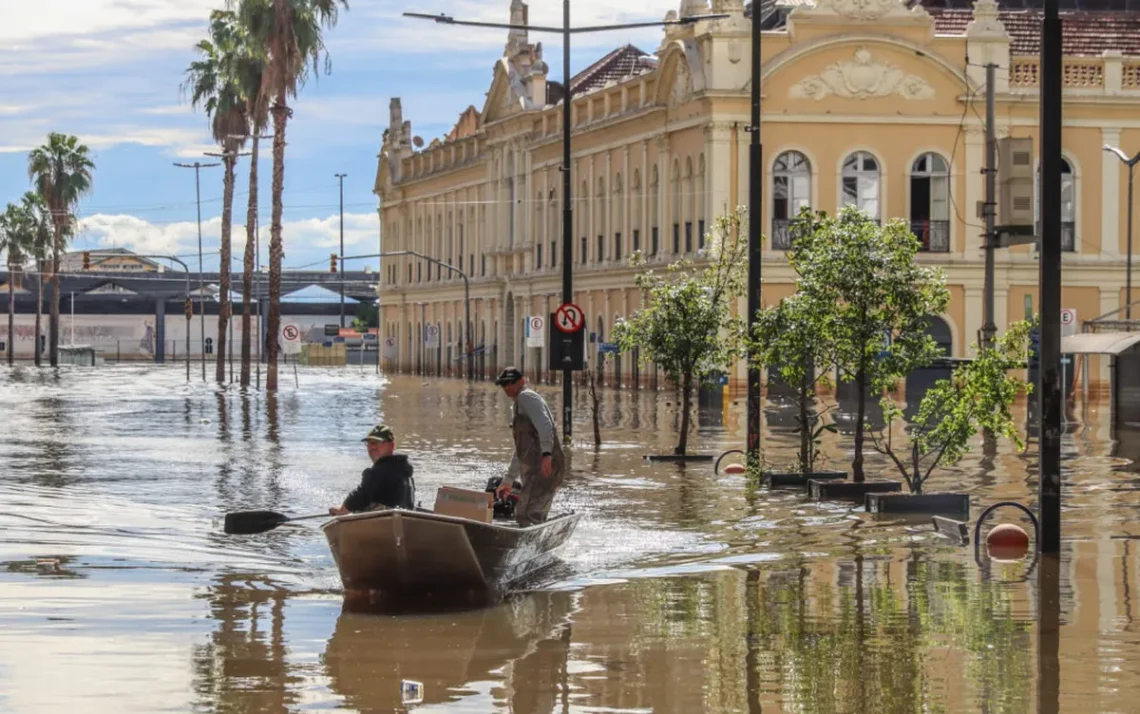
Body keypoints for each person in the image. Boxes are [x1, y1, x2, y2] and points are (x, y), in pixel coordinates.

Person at [494, 367, 567, 526]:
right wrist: (508, 479)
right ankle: (533, 539)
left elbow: (545, 425)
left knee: (527, 514)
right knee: (528, 512)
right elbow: (521, 451)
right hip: (535, 469)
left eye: (511, 383)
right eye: (504, 384)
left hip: (544, 467)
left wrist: (546, 454)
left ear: (522, 381)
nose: (507, 388)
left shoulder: (526, 397)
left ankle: (528, 546)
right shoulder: (520, 404)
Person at [329, 424, 415, 515]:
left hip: (387, 520)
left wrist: (342, 510)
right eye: (369, 443)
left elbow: (361, 495)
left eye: (377, 443)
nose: (372, 447)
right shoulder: (404, 470)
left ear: (391, 446)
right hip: (405, 519)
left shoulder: (377, 473)